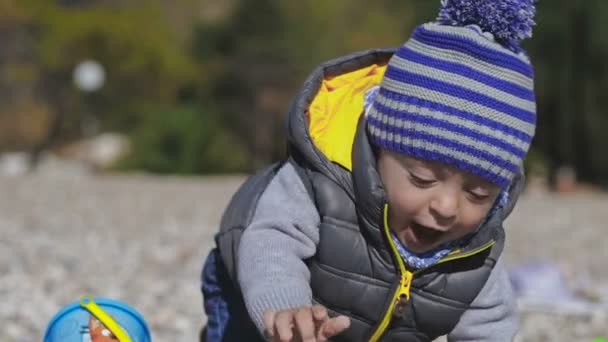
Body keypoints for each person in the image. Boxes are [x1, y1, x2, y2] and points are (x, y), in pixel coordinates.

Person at [201, 0, 537, 340]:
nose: (446, 207)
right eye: (422, 179)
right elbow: (273, 243)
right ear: (379, 148)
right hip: (250, 288)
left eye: (477, 194)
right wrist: (286, 309)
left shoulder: (474, 253)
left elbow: (492, 327)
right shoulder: (324, 184)